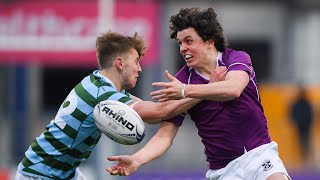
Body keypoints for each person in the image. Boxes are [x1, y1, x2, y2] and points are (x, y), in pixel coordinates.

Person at [106, 8, 291, 180]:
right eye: (180, 43)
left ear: (209, 41)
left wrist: (186, 92)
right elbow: (164, 135)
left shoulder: (235, 58)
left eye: (188, 41)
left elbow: (232, 89)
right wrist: (137, 159)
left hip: (260, 155)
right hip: (223, 170)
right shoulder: (181, 81)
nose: (182, 48)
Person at [15, 31, 206, 180]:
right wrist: (206, 89)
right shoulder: (103, 95)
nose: (139, 68)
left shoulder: (97, 83)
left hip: (62, 172)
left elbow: (153, 109)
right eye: (136, 61)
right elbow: (160, 112)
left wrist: (181, 93)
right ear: (120, 63)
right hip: (40, 173)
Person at [290, 86, 313, 164]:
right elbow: (293, 113)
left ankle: (306, 158)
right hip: (302, 125)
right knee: (303, 141)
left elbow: (310, 114)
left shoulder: (304, 103)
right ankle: (304, 158)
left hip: (304, 125)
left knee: (305, 141)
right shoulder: (303, 103)